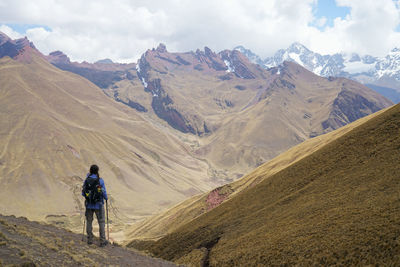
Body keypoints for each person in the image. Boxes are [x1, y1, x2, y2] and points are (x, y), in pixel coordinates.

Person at [82, 164, 108, 246]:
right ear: (97, 171)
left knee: (89, 221)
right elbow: (103, 191)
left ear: (90, 171)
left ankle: (89, 240)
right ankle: (102, 241)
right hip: (99, 204)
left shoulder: (87, 180)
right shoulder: (100, 181)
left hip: (89, 205)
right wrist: (106, 198)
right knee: (101, 222)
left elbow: (83, 193)